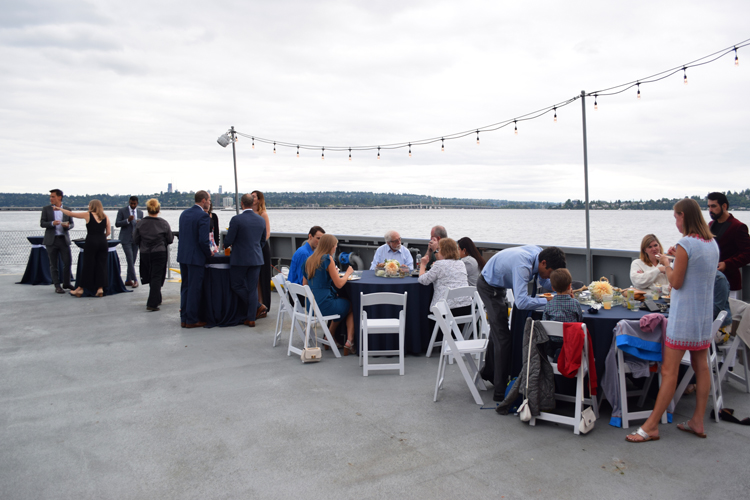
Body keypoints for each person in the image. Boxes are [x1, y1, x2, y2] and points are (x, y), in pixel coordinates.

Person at [626, 198, 720, 442]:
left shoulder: (685, 243)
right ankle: (697, 421)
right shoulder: (712, 243)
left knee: (668, 370)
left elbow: (676, 282)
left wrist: (667, 264)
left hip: (684, 316)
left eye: (676, 217)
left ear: (683, 216)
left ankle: (651, 426)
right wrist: (676, 260)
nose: (676, 222)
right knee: (701, 367)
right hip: (703, 316)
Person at [477, 245, 567, 401]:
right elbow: (521, 302)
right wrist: (550, 301)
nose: (549, 277)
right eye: (551, 273)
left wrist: (562, 289)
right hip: (489, 287)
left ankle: (489, 372)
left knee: (498, 331)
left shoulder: (540, 256)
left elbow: (544, 280)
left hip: (500, 285)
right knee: (503, 338)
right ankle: (500, 391)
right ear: (543, 263)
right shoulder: (523, 265)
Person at [303, 234, 356, 355]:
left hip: (311, 307)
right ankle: (350, 341)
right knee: (350, 305)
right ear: (331, 246)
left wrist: (331, 274)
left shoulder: (308, 260)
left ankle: (329, 336)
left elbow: (305, 284)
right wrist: (348, 273)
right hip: (323, 305)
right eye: (335, 247)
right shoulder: (327, 259)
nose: (335, 249)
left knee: (340, 303)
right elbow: (339, 284)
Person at [224, 193, 267, 327]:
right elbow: (263, 240)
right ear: (252, 203)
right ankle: (251, 318)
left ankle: (258, 306)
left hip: (240, 259)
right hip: (256, 258)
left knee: (236, 285)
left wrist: (227, 245)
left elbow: (228, 240)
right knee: (252, 288)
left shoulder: (236, 219)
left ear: (242, 203)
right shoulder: (260, 220)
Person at [55, 200, 111, 298]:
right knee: (101, 266)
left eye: (89, 205)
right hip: (102, 242)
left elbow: (71, 214)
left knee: (88, 265)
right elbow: (108, 232)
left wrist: (60, 209)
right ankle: (100, 288)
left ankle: (80, 289)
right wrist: (102, 237)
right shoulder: (105, 217)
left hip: (91, 241)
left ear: (92, 206)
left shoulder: (88, 214)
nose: (88, 206)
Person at [177, 190, 213, 328]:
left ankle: (184, 318)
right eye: (209, 200)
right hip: (196, 258)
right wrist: (209, 254)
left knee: (185, 287)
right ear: (203, 200)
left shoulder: (184, 214)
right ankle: (192, 320)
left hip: (183, 256)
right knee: (194, 288)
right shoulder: (203, 216)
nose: (209, 203)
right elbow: (203, 241)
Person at [707, 192, 750, 299]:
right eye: (709, 206)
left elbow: (747, 254)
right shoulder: (710, 225)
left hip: (730, 282)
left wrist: (727, 264)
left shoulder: (738, 226)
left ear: (724, 206)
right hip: (711, 282)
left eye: (713, 206)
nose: (710, 210)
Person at [133, 198, 174, 311]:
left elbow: (135, 239)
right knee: (157, 276)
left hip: (145, 252)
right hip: (159, 252)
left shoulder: (141, 223)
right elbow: (170, 239)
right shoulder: (163, 223)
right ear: (158, 210)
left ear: (147, 209)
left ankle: (157, 297)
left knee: (151, 275)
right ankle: (152, 303)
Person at [418, 238, 471, 315]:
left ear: (443, 251)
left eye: (438, 249)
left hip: (445, 309)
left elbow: (423, 280)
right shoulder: (461, 263)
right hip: (465, 307)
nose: (437, 252)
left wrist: (423, 264)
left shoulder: (439, 264)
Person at [40, 189, 74, 294]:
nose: (51, 198)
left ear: (59, 197)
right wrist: (52, 223)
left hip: (63, 240)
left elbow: (72, 223)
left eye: (53, 196)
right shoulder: (46, 209)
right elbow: (42, 223)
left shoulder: (67, 209)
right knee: (53, 264)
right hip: (51, 240)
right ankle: (57, 286)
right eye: (50, 196)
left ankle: (67, 283)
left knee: (67, 262)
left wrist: (68, 226)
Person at [115, 196, 144, 288]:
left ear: (137, 203)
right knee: (130, 259)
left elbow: (141, 226)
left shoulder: (140, 212)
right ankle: (135, 280)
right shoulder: (122, 211)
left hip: (136, 239)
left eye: (134, 204)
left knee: (133, 260)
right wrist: (127, 220)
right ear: (129, 202)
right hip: (125, 239)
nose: (133, 205)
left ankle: (128, 280)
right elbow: (117, 223)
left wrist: (140, 223)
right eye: (131, 203)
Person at [251, 190, 272, 315]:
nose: (252, 198)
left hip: (261, 248)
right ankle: (257, 304)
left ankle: (264, 304)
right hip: (251, 248)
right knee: (255, 278)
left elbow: (267, 233)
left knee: (263, 277)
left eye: (254, 197)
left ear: (259, 200)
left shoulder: (263, 214)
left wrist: (259, 243)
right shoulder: (248, 213)